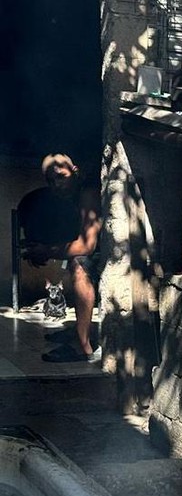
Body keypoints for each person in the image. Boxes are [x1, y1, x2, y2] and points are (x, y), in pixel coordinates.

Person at [20, 153, 102, 362]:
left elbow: (87, 245)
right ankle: (78, 329)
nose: (56, 185)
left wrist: (47, 251)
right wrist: (41, 249)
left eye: (61, 177)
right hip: (98, 250)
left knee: (79, 265)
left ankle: (83, 346)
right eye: (50, 181)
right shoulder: (70, 198)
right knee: (69, 260)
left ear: (75, 172)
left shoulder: (88, 194)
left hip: (113, 254)